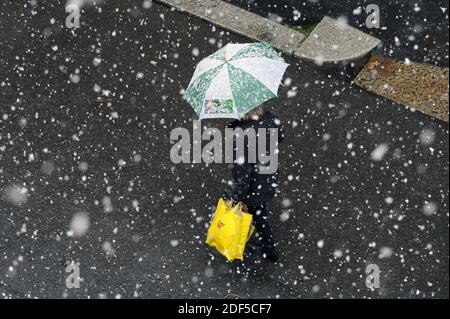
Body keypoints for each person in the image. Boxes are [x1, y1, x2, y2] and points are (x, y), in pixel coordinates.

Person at [224, 106, 285, 262]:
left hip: (254, 184)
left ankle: (269, 249)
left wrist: (235, 197)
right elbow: (280, 136)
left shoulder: (241, 135)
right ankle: (267, 248)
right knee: (259, 211)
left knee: (258, 215)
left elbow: (242, 174)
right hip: (267, 175)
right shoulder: (270, 117)